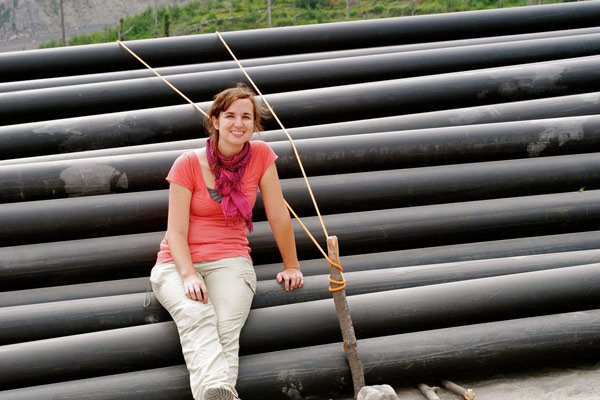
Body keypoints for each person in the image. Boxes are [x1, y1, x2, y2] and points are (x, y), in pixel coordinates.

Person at [150, 83, 304, 400]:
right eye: (230, 115)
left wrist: (292, 265)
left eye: (246, 117)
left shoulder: (261, 156)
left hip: (231, 260)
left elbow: (277, 214)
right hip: (177, 264)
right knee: (197, 315)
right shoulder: (187, 163)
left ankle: (217, 393)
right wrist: (189, 274)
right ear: (215, 121)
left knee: (225, 327)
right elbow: (175, 232)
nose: (238, 123)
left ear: (254, 124)